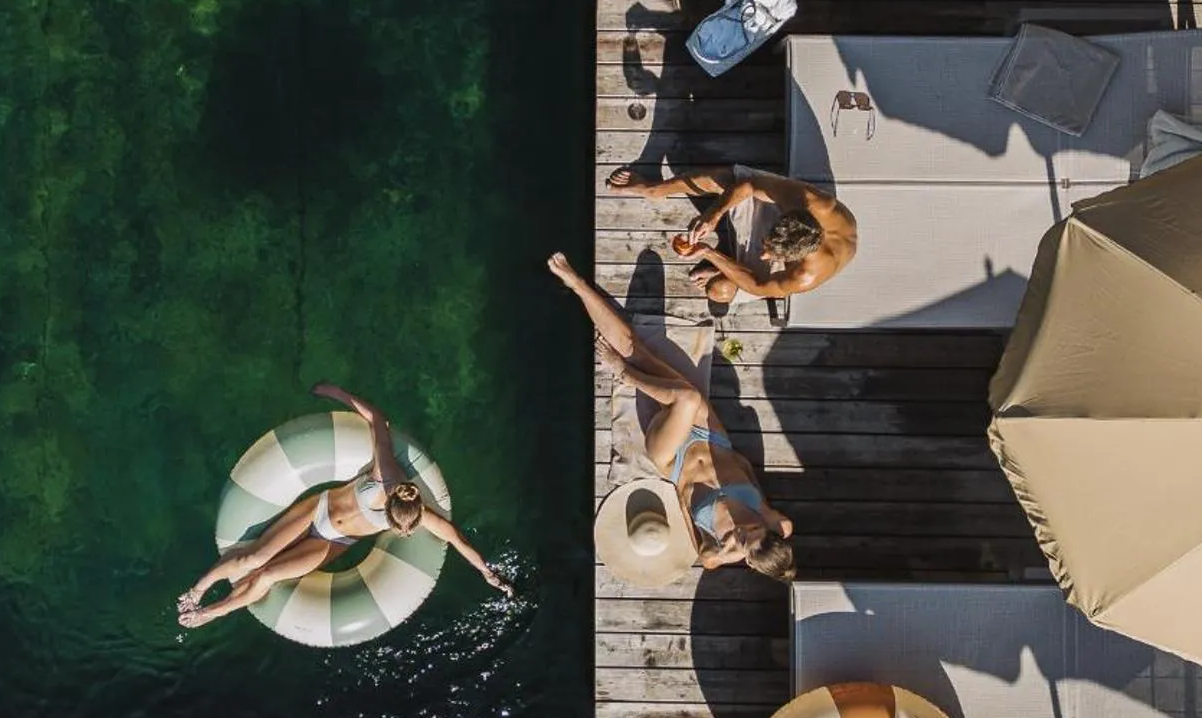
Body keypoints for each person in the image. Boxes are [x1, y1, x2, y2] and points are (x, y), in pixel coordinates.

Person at [179, 382, 511, 629]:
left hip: (331, 542)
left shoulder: (418, 514)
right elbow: (377, 420)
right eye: (395, 526)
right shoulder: (385, 472)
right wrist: (335, 392)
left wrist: (485, 571)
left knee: (268, 574)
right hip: (316, 510)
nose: (398, 530)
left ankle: (210, 612)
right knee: (254, 558)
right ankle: (197, 589)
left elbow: (456, 538)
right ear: (393, 504)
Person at [547, 251, 795, 579]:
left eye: (745, 542)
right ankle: (578, 286)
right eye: (752, 531)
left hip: (672, 457)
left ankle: (624, 373)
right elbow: (780, 526)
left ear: (747, 560)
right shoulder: (774, 522)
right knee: (638, 349)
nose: (742, 531)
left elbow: (706, 560)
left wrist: (727, 550)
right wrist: (742, 468)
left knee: (686, 397)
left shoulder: (720, 550)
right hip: (712, 437)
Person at [606, 164, 856, 316]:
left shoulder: (805, 275)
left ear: (792, 259)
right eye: (766, 245)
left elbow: (759, 285)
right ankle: (654, 189)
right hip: (792, 221)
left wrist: (708, 253)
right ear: (787, 215)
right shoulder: (808, 201)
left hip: (778, 270)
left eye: (771, 254)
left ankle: (725, 263)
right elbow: (748, 186)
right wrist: (712, 216)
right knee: (729, 182)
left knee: (719, 290)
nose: (763, 254)